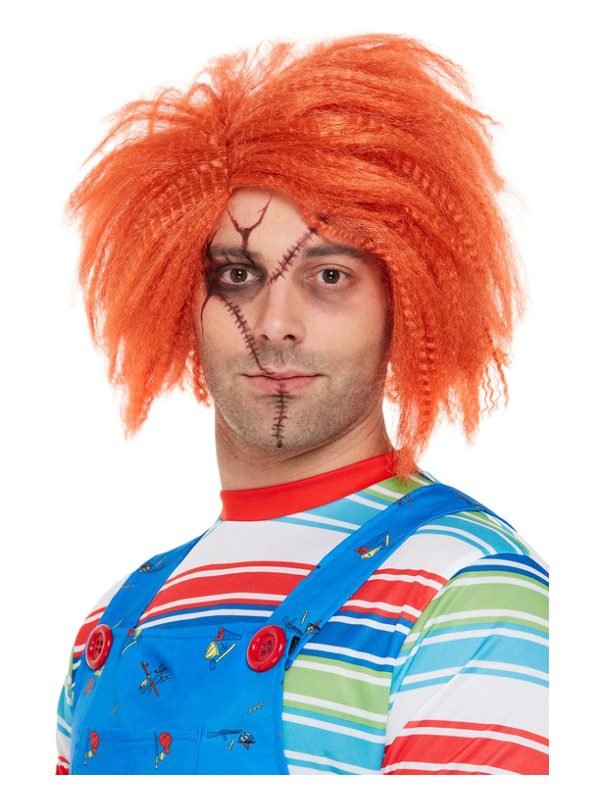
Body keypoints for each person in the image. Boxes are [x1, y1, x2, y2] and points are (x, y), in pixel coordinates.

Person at [55, 32, 549, 775]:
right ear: (178, 304)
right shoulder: (116, 618)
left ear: (406, 306)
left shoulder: (471, 590)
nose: (275, 324)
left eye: (329, 276)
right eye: (237, 275)